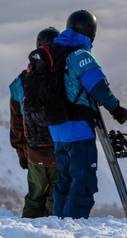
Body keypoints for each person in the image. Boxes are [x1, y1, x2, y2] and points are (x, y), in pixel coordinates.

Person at [49, 9, 127, 219]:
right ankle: (70, 227)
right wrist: (116, 109)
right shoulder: (80, 56)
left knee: (64, 180)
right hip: (78, 130)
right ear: (90, 31)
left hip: (57, 129)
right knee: (83, 182)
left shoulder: (55, 55)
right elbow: (98, 86)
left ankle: (57, 224)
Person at [9, 27, 61, 218]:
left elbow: (16, 123)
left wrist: (21, 153)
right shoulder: (63, 77)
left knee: (34, 197)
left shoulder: (20, 82)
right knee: (55, 197)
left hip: (33, 150)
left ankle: (29, 231)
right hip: (59, 149)